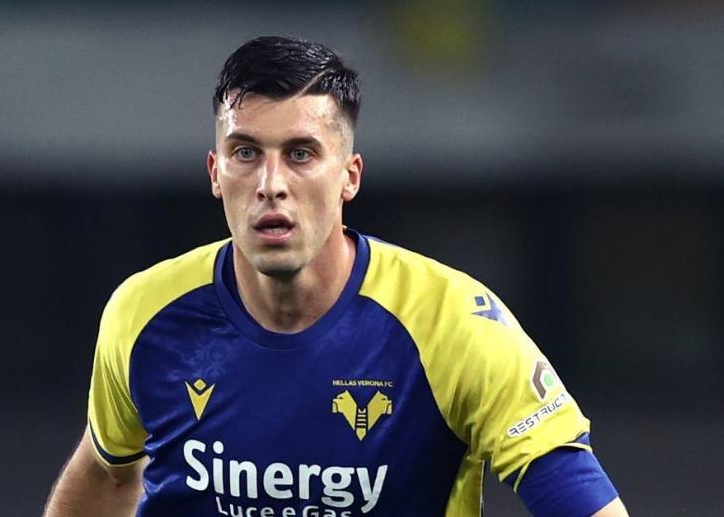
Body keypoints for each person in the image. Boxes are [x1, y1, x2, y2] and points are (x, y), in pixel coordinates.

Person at [43, 36, 628, 516]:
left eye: (300, 154)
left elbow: (575, 494)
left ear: (349, 176)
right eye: (246, 153)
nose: (271, 184)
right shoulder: (145, 314)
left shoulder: (452, 324)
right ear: (216, 172)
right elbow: (106, 474)